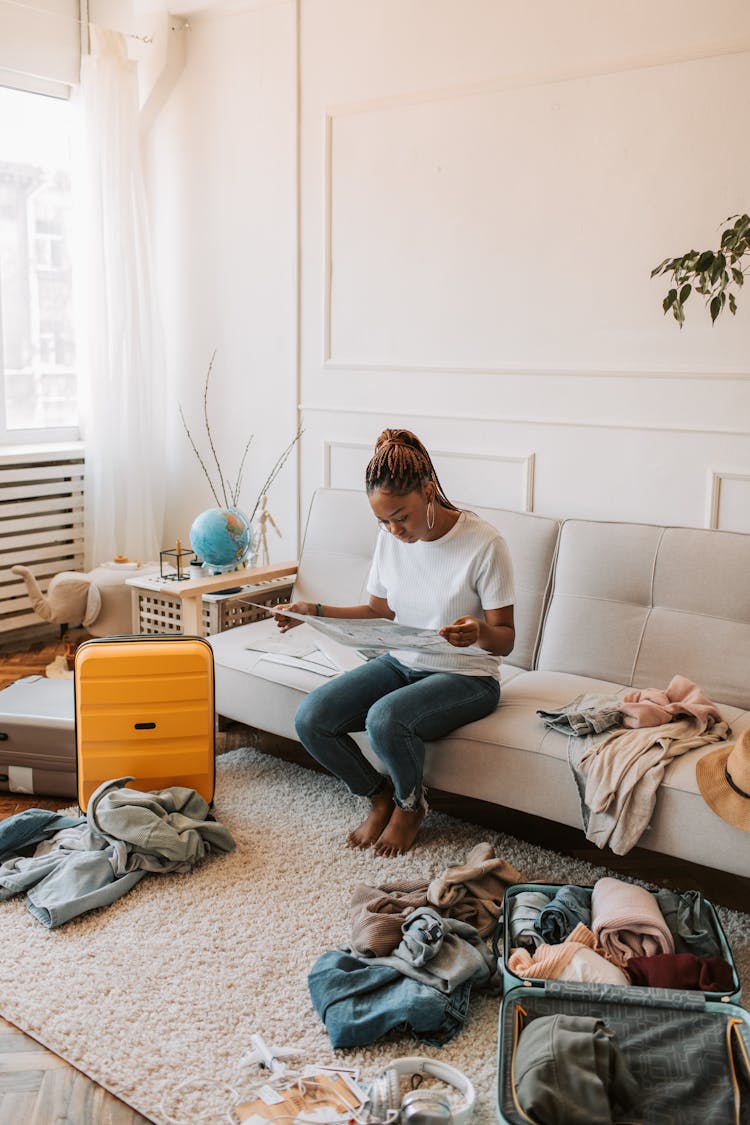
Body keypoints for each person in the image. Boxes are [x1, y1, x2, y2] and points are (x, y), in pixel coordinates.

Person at [273, 428, 515, 857]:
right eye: (383, 521)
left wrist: (477, 632)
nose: (393, 529)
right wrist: (316, 612)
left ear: (427, 491)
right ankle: (377, 795)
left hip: (467, 675)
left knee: (384, 718)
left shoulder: (484, 543)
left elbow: (506, 640)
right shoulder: (389, 540)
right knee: (312, 717)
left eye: (400, 516)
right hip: (402, 661)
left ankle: (410, 805)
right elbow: (378, 612)